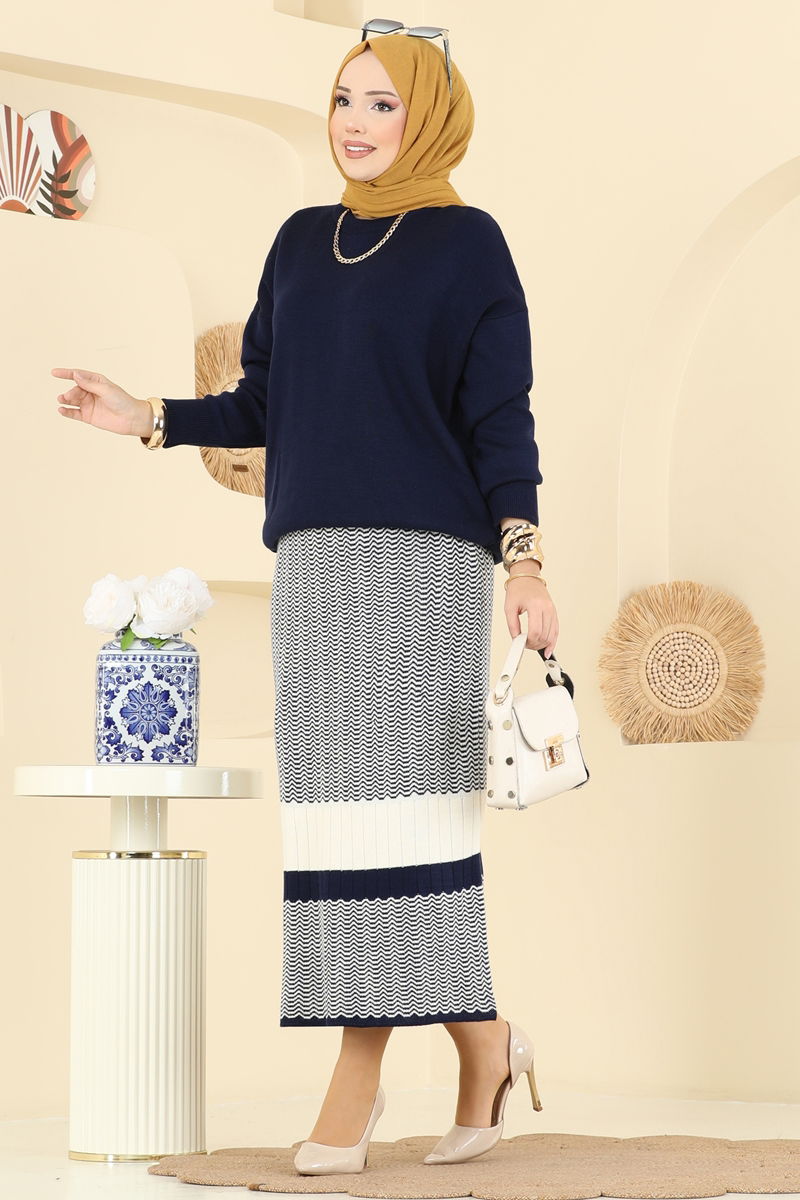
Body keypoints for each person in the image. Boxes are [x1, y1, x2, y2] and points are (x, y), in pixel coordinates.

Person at [51, 26, 558, 1177]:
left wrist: (524, 561)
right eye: (341, 99)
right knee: (334, 821)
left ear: (427, 118)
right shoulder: (298, 243)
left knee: (409, 817)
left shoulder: (468, 246)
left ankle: (356, 1077)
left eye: (381, 103)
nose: (354, 122)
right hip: (317, 568)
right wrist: (147, 416)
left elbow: (500, 420)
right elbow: (263, 404)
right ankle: (484, 1041)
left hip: (426, 567)